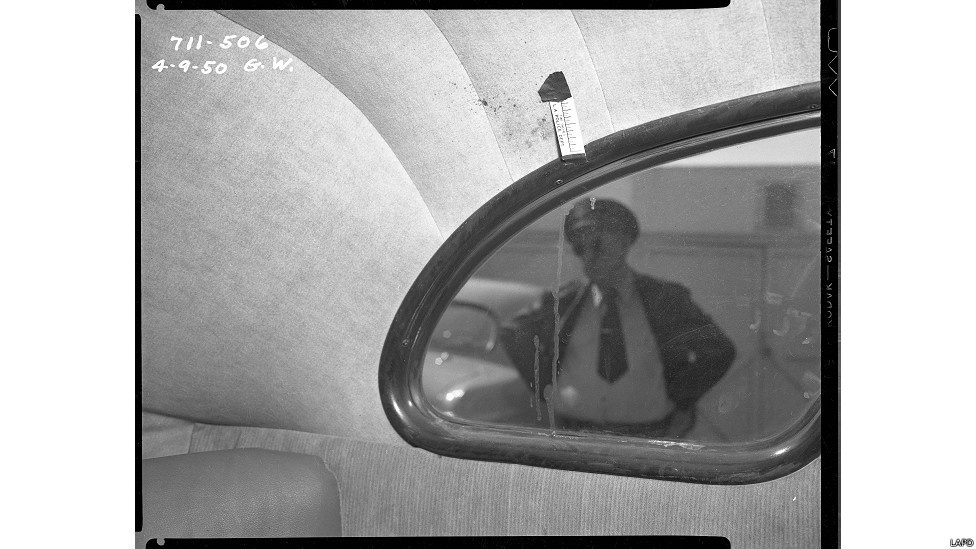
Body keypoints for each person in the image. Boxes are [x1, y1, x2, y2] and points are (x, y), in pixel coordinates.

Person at [499, 198, 735, 438]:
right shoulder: (563, 302)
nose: (587, 255)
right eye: (580, 248)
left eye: (598, 244)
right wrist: (545, 388)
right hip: (574, 434)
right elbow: (513, 331)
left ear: (624, 243)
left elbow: (718, 350)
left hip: (648, 434)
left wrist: (680, 397)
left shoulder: (664, 299)